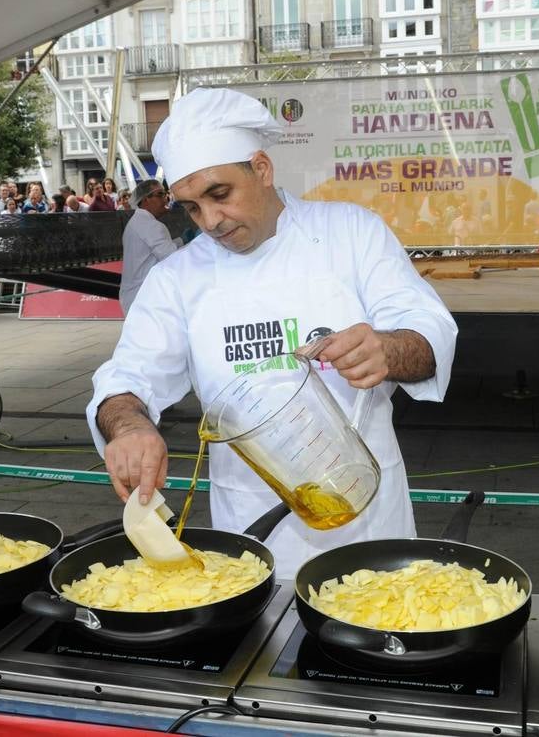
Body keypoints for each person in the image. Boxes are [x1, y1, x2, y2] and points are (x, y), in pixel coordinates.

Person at [86, 87, 458, 572]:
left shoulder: (351, 233)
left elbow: (428, 335)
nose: (211, 221)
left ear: (261, 168)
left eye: (220, 195)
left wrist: (388, 349)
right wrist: (131, 426)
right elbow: (125, 380)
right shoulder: (177, 278)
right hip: (249, 522)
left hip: (367, 513)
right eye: (192, 208)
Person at [118, 179, 177, 315]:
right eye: (160, 195)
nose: (165, 199)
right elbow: (172, 258)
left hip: (137, 297)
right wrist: (195, 244)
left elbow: (157, 248)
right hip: (145, 298)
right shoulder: (151, 225)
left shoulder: (138, 221)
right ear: (145, 200)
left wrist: (182, 240)